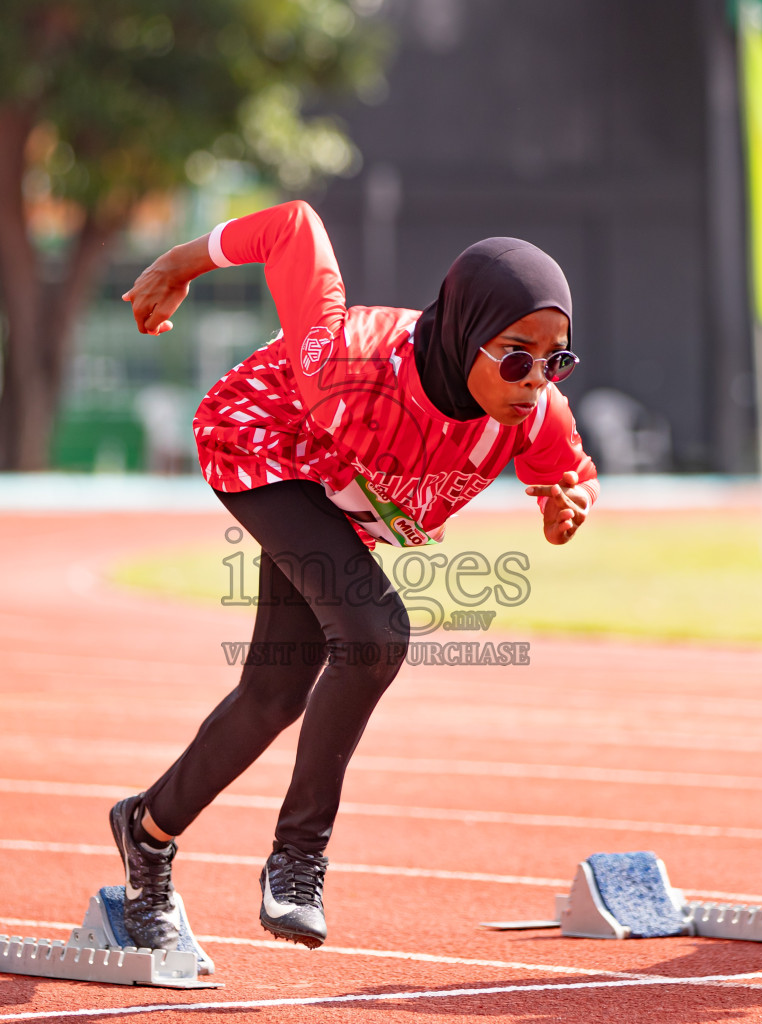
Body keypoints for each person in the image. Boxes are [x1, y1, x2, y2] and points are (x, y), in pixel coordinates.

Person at [110, 200, 598, 955]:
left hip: (338, 495)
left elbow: (569, 475)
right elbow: (293, 227)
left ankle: (146, 829)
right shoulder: (345, 361)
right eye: (514, 355)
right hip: (261, 446)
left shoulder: (534, 414)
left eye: (554, 359)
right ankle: (298, 859)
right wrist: (181, 262)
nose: (534, 380)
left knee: (274, 694)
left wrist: (566, 507)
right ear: (466, 333)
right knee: (374, 635)